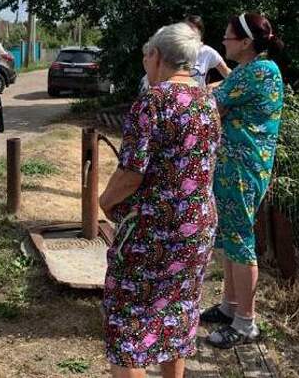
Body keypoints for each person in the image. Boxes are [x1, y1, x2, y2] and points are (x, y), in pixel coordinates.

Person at [99, 23, 221, 378]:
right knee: (177, 315)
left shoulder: (153, 100)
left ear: (157, 56)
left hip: (155, 231)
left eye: (145, 55)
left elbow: (132, 173)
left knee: (129, 323)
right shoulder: (207, 101)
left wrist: (105, 201)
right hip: (197, 226)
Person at [202, 13, 284, 349]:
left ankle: (245, 323)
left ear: (246, 42)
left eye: (228, 37)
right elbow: (221, 92)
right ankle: (229, 308)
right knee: (233, 238)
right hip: (238, 168)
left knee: (240, 240)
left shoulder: (260, 71)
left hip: (243, 169)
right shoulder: (252, 71)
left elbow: (210, 104)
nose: (223, 42)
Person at [183, 15, 232, 87]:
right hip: (172, 96)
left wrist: (216, 85)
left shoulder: (208, 52)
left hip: (198, 97)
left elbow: (230, 75)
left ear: (200, 33)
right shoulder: (172, 51)